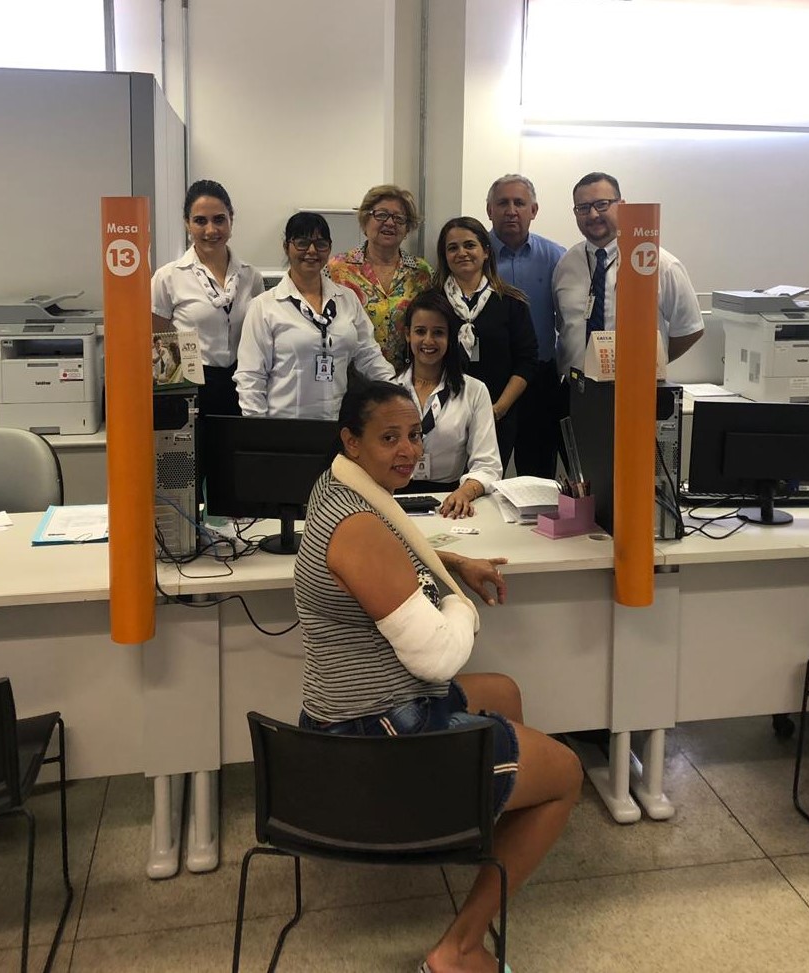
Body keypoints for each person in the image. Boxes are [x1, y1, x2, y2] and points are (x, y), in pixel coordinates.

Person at [293, 379, 583, 973]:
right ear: (351, 440)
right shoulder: (357, 524)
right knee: (566, 774)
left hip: (348, 716)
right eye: (389, 438)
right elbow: (438, 658)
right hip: (376, 738)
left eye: (414, 435)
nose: (408, 450)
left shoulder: (339, 489)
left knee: (503, 691)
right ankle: (457, 949)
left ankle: (468, 837)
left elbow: (395, 553)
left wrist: (452, 563)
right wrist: (458, 603)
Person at [234, 212, 395, 418]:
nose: (311, 251)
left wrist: (397, 391)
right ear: (286, 247)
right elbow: (251, 377)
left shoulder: (347, 299)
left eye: (320, 244)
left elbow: (369, 356)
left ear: (329, 248)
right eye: (302, 243)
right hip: (284, 425)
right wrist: (258, 428)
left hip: (337, 423)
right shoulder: (264, 307)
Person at [553, 171, 704, 384]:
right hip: (574, 390)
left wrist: (651, 362)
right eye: (583, 207)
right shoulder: (566, 264)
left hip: (636, 389)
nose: (593, 214)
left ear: (622, 205)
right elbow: (564, 325)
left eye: (602, 204)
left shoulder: (657, 263)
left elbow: (690, 329)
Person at [152, 179, 264, 417]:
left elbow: (260, 337)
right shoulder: (168, 277)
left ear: (231, 219)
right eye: (200, 221)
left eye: (219, 219)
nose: (211, 230)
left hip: (242, 385)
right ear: (187, 223)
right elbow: (157, 345)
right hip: (190, 388)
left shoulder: (250, 276)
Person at [435, 217, 538, 472]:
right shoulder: (431, 303)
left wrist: (498, 410)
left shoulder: (512, 302)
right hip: (442, 417)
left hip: (497, 416)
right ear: (445, 256)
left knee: (486, 485)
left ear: (486, 252)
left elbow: (527, 361)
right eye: (453, 248)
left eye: (470, 245)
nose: (462, 253)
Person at [394, 290, 502, 519]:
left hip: (449, 503)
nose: (428, 341)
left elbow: (488, 466)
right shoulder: (389, 391)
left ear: (450, 337)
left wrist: (465, 492)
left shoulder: (474, 391)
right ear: (407, 335)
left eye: (438, 332)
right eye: (420, 331)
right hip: (393, 500)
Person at [486, 174, 566, 479]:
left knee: (538, 475)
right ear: (489, 209)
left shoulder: (557, 258)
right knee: (482, 473)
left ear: (533, 210)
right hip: (488, 382)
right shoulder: (472, 254)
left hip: (539, 382)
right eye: (502, 203)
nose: (511, 210)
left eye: (519, 203)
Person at [327, 184, 433, 370]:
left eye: (399, 218)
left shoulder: (421, 273)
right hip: (350, 376)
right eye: (381, 215)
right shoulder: (337, 269)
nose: (390, 223)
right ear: (365, 221)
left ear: (407, 229)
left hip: (404, 377)